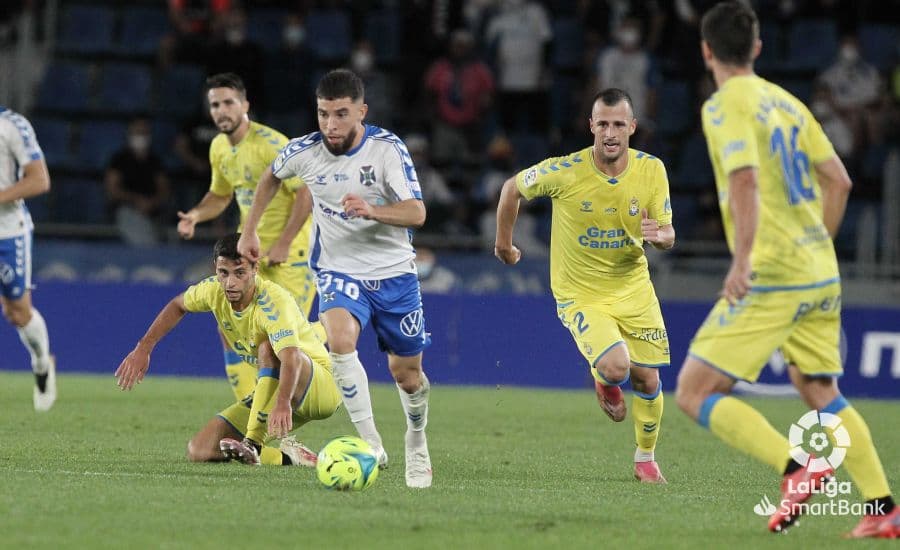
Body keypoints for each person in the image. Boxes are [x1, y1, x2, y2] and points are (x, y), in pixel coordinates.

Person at [674, 2, 899, 538]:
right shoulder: (790, 102)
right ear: (755, 48)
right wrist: (814, 243)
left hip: (773, 272)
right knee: (819, 388)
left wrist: (743, 259)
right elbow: (839, 181)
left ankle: (798, 468)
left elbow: (745, 180)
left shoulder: (725, 104)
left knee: (693, 390)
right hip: (821, 271)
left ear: (707, 51)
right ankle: (883, 509)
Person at [237, 69, 433, 488]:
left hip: (394, 273)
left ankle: (416, 440)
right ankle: (372, 445)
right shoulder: (305, 151)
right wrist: (250, 229)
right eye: (324, 114)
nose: (331, 124)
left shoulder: (386, 150)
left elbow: (417, 212)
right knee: (340, 340)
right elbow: (272, 175)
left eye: (341, 114)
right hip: (338, 269)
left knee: (407, 375)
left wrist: (372, 210)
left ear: (361, 111)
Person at [494, 88, 675, 484]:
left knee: (648, 379)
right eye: (603, 124)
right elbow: (512, 188)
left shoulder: (652, 170)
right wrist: (504, 244)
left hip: (633, 288)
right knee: (616, 367)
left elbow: (666, 230)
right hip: (582, 293)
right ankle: (604, 378)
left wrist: (661, 237)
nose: (610, 133)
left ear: (632, 127)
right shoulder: (566, 171)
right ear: (591, 126)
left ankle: (645, 459)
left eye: (618, 125)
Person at [115, 233, 340, 467]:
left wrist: (283, 403)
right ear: (216, 269)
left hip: (318, 387)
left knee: (268, 349)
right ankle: (292, 458)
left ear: (255, 268)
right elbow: (178, 305)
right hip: (280, 389)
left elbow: (291, 357)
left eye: (239, 273)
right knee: (201, 450)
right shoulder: (213, 290)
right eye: (224, 273)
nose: (230, 283)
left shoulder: (273, 302)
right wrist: (144, 348)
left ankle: (253, 443)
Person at [176, 72, 317, 406]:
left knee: (282, 341)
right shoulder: (219, 148)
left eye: (228, 102)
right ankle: (249, 411)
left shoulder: (272, 144)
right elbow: (220, 194)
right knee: (231, 331)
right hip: (248, 256)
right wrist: (196, 215)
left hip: (290, 257)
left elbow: (305, 193)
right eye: (214, 105)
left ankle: (288, 415)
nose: (221, 110)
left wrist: (283, 241)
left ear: (245, 105)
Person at [0, 104, 55, 411]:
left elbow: (39, 180)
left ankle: (41, 363)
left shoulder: (12, 125)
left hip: (7, 232)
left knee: (17, 313)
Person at [104, 117, 171, 247]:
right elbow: (112, 189)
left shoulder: (155, 161)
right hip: (126, 209)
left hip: (153, 211)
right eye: (137, 132)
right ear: (129, 134)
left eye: (144, 133)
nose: (141, 136)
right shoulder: (119, 159)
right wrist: (135, 200)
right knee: (131, 220)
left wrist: (152, 202)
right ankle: (150, 253)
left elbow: (164, 189)